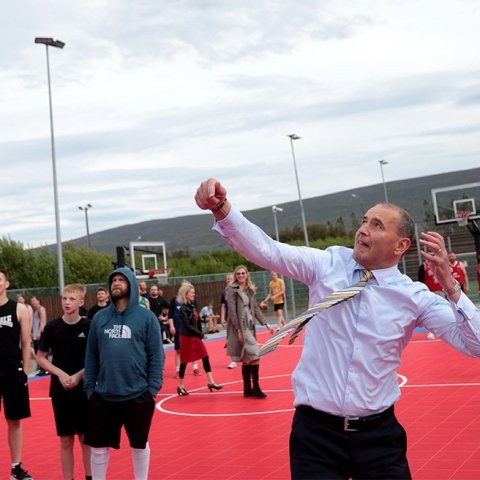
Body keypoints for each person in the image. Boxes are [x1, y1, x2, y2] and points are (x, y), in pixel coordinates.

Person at [195, 178, 480, 480]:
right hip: (316, 437)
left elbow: (476, 345)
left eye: (377, 225)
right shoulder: (327, 264)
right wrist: (222, 210)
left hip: (379, 439)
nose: (363, 229)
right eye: (364, 221)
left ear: (401, 245)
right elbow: (268, 250)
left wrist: (452, 288)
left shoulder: (414, 296)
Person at [83, 267, 164, 480]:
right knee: (98, 447)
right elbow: (91, 355)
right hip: (103, 395)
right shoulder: (100, 318)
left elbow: (156, 354)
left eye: (121, 280)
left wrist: (152, 389)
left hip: (138, 394)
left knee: (139, 444)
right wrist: (90, 388)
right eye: (113, 281)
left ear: (131, 285)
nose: (116, 283)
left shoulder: (146, 317)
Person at [36, 284, 92, 480]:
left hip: (84, 390)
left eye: (71, 299)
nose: (67, 302)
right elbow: (40, 357)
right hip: (60, 392)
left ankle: (89, 476)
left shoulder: (89, 326)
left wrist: (78, 376)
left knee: (86, 439)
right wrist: (60, 374)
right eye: (64, 298)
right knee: (66, 440)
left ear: (81, 302)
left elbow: (97, 359)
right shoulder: (52, 327)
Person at [0, 269, 34, 480]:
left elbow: (26, 342)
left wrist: (26, 371)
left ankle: (16, 467)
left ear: (6, 284)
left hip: (12, 371)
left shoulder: (19, 309)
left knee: (14, 421)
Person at [227, 265, 274, 398]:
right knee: (255, 354)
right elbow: (232, 311)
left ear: (247, 275)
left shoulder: (250, 290)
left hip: (250, 325)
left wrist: (266, 324)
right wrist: (238, 330)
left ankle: (247, 389)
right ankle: (257, 388)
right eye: (238, 274)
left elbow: (256, 310)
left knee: (248, 359)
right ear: (235, 276)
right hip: (241, 326)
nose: (241, 276)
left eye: (243, 273)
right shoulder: (232, 290)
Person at [176, 282, 223, 396]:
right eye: (192, 293)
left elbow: (197, 319)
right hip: (187, 337)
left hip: (195, 335)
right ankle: (181, 386)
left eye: (194, 292)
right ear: (186, 294)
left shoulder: (193, 305)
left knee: (205, 357)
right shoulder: (183, 308)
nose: (194, 294)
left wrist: (205, 320)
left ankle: (211, 382)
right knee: (184, 361)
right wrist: (201, 334)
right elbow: (187, 325)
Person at [220, 273, 237, 369]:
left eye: (230, 278)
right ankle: (233, 360)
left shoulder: (237, 290)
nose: (229, 280)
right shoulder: (224, 292)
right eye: (227, 278)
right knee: (230, 339)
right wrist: (222, 318)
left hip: (237, 318)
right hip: (229, 318)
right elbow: (223, 306)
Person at [30, 295, 48, 376]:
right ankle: (42, 368)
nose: (33, 302)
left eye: (34, 300)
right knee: (38, 351)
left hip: (40, 333)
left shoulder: (41, 309)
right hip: (35, 333)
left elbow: (43, 321)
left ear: (38, 301)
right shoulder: (35, 310)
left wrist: (39, 332)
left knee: (41, 352)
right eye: (31, 301)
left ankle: (45, 369)